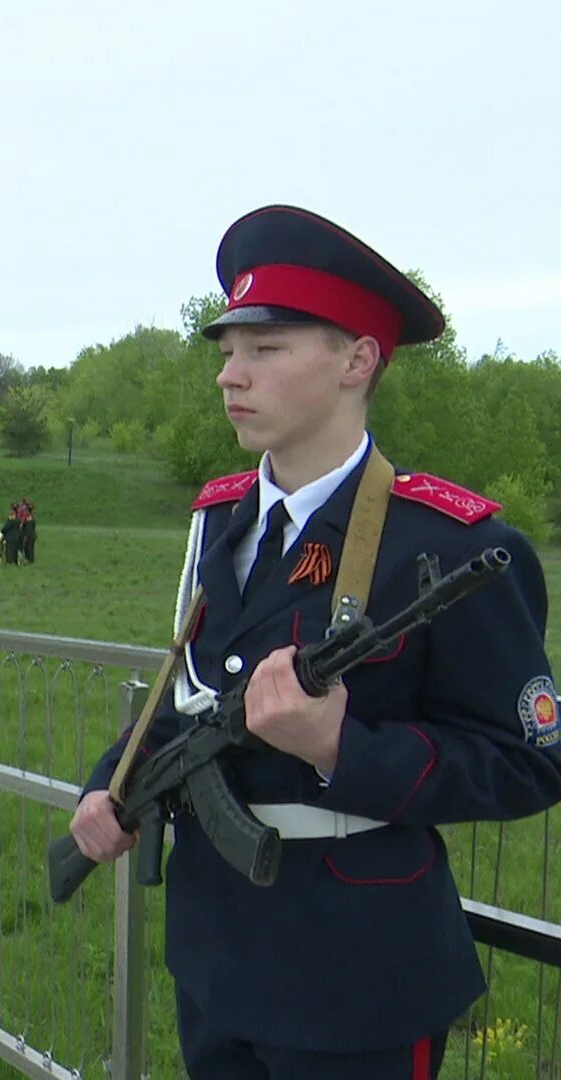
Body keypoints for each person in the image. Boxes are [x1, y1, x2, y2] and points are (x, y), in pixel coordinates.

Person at [68, 205, 561, 1078]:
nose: (231, 376)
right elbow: (191, 704)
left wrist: (344, 747)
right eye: (227, 351)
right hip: (215, 955)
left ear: (357, 358)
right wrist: (111, 782)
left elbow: (527, 763)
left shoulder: (447, 546)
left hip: (357, 976)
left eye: (267, 349)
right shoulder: (220, 521)